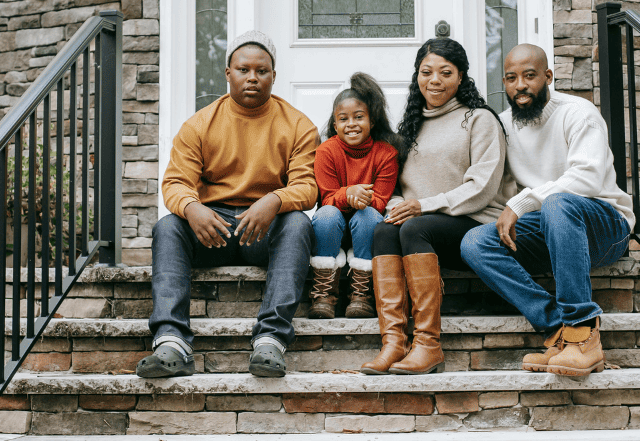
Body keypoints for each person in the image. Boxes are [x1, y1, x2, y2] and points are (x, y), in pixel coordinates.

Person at [136, 31, 318, 379]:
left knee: (298, 224)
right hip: (211, 232)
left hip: (263, 230)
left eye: (262, 71)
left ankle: (270, 340)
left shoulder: (297, 125)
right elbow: (175, 183)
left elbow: (307, 187)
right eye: (243, 69)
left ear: (274, 76)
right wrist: (192, 208)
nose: (252, 77)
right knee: (168, 226)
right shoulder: (200, 124)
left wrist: (274, 199)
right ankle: (172, 341)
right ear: (228, 73)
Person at [460, 44, 633, 378]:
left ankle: (582, 329)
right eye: (511, 78)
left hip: (604, 225)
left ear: (548, 77)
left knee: (558, 203)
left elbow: (587, 177)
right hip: (548, 227)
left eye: (529, 76)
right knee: (474, 241)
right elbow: (500, 189)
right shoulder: (504, 125)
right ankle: (559, 331)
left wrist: (522, 203)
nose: (520, 86)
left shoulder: (578, 112)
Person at [362, 38, 508, 376]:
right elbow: (396, 186)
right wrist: (399, 205)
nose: (435, 80)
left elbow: (482, 188)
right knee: (384, 230)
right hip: (424, 225)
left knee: (415, 226)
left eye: (445, 72)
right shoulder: (412, 125)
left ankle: (428, 344)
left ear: (461, 77)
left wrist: (421, 207)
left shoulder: (480, 120)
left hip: (474, 223)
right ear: (417, 77)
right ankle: (394, 342)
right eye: (426, 72)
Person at [309, 73, 402, 319]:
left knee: (369, 214)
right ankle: (324, 292)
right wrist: (348, 193)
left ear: (372, 121)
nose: (351, 124)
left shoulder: (386, 154)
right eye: (344, 119)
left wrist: (361, 199)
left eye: (359, 117)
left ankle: (361, 293)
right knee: (326, 214)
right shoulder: (326, 151)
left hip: (367, 229)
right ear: (335, 125)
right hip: (333, 230)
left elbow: (381, 201)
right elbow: (327, 197)